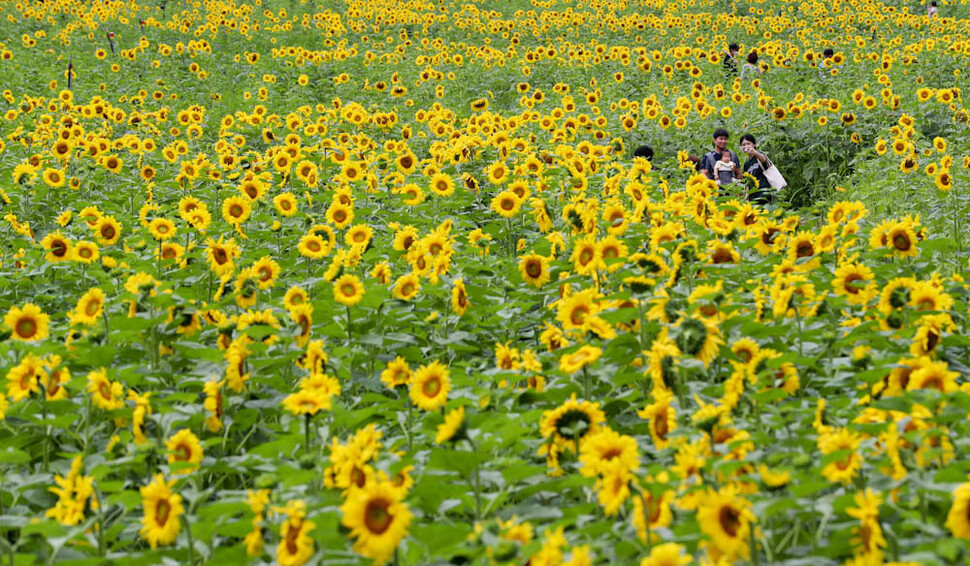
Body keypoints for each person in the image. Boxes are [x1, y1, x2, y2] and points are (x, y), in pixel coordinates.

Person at [739, 134, 773, 204]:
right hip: (753, 195)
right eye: (743, 145)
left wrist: (754, 152)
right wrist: (746, 197)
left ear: (754, 144)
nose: (746, 146)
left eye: (748, 143)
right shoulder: (746, 164)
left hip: (764, 192)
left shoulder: (759, 155)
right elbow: (747, 182)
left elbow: (763, 160)